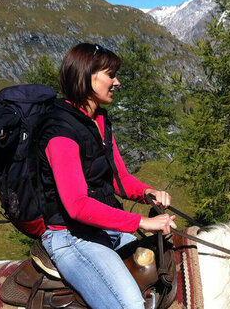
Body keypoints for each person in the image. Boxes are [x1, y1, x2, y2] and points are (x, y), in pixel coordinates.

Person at [37, 43, 176, 309]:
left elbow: (118, 177)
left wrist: (147, 193)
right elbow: (77, 205)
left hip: (104, 231)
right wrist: (142, 222)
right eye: (110, 75)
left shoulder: (98, 119)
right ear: (86, 76)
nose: (117, 82)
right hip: (72, 238)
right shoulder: (60, 130)